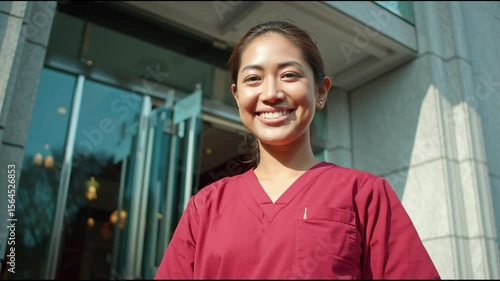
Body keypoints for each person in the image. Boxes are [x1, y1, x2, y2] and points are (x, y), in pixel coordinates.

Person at [154, 20, 441, 280]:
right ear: (237, 95)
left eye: (289, 75)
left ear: (321, 92)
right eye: (253, 79)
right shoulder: (204, 207)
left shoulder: (364, 194)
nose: (271, 94)